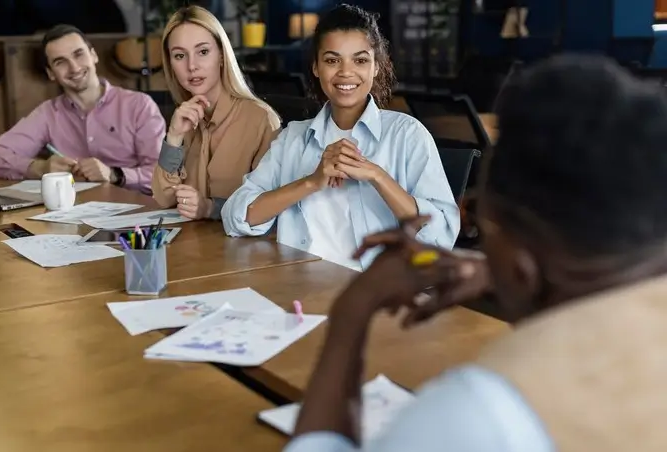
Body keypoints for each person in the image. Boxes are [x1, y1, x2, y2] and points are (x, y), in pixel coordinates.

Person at [285, 54, 667, 450]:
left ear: (522, 269)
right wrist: (492, 270)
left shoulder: (480, 412)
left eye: (481, 228)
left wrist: (353, 311)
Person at [222, 5, 459, 271]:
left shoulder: (407, 134)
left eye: (360, 60)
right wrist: (311, 182)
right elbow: (236, 218)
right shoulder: (293, 138)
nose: (346, 72)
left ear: (376, 67)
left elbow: (441, 236)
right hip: (298, 290)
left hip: (376, 295)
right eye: (332, 60)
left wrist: (377, 177)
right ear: (315, 67)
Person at [0, 24, 164, 194]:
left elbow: (164, 175)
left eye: (79, 54)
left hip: (137, 215)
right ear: (51, 73)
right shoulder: (48, 113)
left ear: (93, 55)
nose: (74, 67)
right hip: (74, 214)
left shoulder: (139, 105)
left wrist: (115, 174)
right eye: (60, 62)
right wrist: (39, 168)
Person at [151, 6, 281, 220]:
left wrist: (210, 208)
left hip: (243, 248)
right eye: (180, 55)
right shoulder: (185, 117)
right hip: (195, 245)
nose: (191, 66)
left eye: (203, 52)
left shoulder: (261, 119)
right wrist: (173, 137)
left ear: (221, 55)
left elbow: (269, 206)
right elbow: (165, 199)